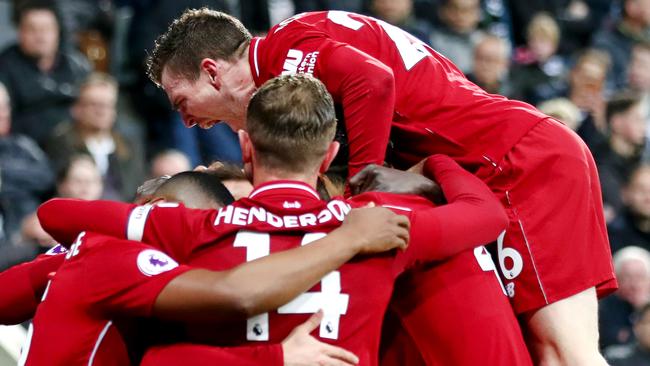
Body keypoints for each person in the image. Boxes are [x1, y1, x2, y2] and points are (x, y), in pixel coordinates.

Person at [147, 9, 617, 365]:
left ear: (212, 71)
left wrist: (364, 185)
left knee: (565, 352)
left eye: (180, 100)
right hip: (495, 160)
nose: (186, 119)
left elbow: (372, 80)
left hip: (514, 161)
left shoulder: (282, 51)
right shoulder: (299, 56)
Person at [37, 75, 528, 365]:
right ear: (328, 155)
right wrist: (431, 168)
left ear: (246, 147)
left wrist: (158, 223)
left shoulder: (198, 228)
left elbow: (57, 215)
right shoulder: (382, 230)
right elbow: (486, 216)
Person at [20, 175, 409, 365]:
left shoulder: (82, 254)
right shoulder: (125, 260)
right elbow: (234, 295)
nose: (212, 240)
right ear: (156, 207)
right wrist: (278, 357)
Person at [0, 0, 91, 146]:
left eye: (46, 29)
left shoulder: (77, 66)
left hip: (76, 143)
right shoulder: (5, 66)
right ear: (20, 32)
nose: (40, 36)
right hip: (27, 146)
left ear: (57, 32)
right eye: (32, 29)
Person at [44, 72, 146, 201]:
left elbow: (136, 187)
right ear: (77, 109)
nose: (101, 111)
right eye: (94, 104)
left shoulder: (128, 143)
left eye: (108, 105)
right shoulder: (62, 142)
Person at [592, 91, 647, 222]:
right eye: (637, 119)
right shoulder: (599, 163)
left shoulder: (641, 158)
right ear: (616, 123)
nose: (643, 127)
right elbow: (616, 205)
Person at [600, 246, 650, 350]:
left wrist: (643, 308)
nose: (634, 285)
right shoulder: (604, 308)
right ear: (616, 281)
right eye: (627, 278)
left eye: (640, 277)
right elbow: (611, 339)